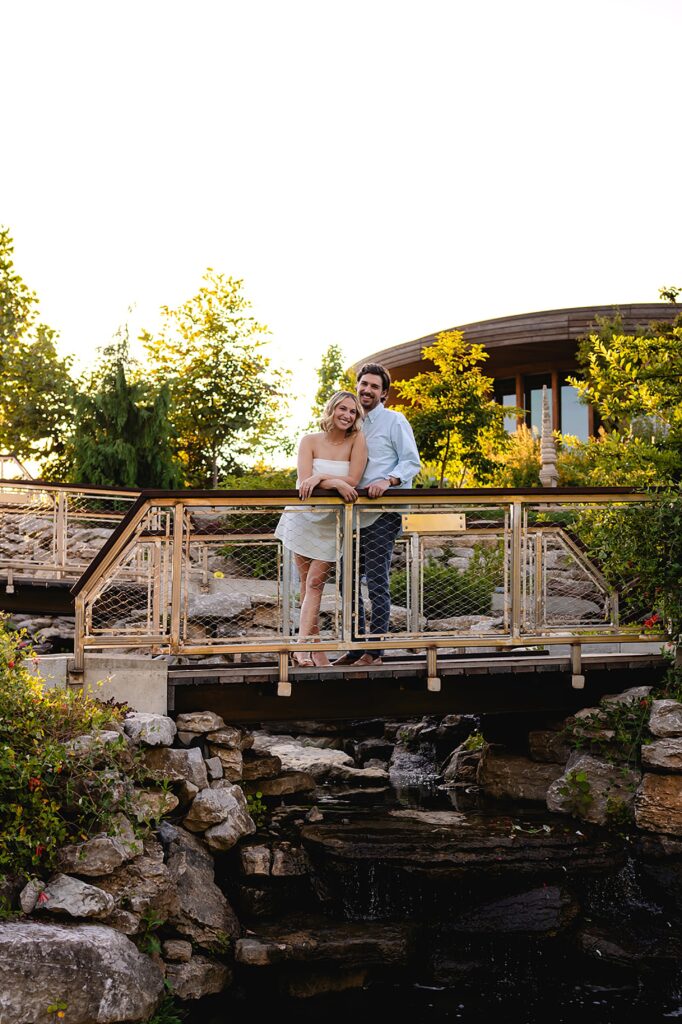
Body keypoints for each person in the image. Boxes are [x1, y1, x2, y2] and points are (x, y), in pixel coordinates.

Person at [334, 362, 421, 667]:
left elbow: (412, 462)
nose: (367, 390)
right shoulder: (350, 423)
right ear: (356, 386)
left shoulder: (395, 421)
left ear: (384, 393)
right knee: (346, 581)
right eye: (364, 384)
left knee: (376, 580)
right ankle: (357, 648)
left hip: (383, 512)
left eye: (374, 386)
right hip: (352, 513)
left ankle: (375, 652)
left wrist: (388, 480)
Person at [275, 391, 368, 666]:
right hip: (302, 518)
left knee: (316, 583)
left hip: (330, 523)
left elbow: (352, 479)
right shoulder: (309, 441)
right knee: (306, 587)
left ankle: (300, 649)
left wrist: (324, 478)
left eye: (353, 412)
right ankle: (318, 655)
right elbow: (304, 481)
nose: (347, 415)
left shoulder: (357, 440)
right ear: (332, 409)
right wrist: (331, 481)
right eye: (343, 409)